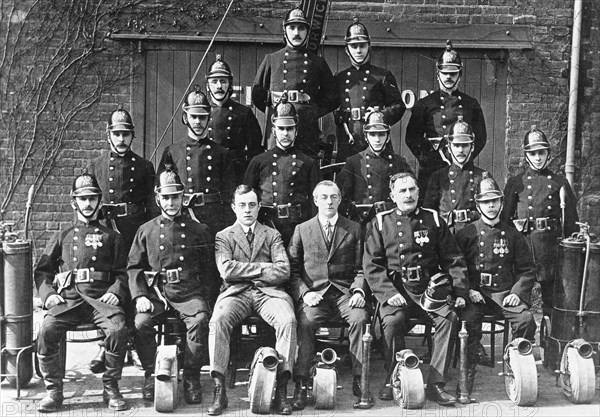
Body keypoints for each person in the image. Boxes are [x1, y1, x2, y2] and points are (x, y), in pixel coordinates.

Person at [363, 171, 469, 406]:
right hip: (397, 290)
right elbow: (371, 266)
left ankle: (435, 384)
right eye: (402, 191)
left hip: (428, 291)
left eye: (412, 190)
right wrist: (389, 294)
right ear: (392, 195)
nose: (408, 195)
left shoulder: (434, 219)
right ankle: (394, 378)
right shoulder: (380, 222)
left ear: (419, 192)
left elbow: (454, 259)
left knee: (448, 319)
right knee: (391, 322)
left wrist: (459, 291)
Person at [34, 173, 130, 412]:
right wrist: (49, 296)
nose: (88, 204)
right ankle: (54, 391)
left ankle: (111, 387)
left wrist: (116, 292)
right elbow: (42, 272)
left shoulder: (113, 237)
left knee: (118, 330)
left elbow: (124, 272)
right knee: (47, 329)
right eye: (82, 199)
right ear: (73, 202)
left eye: (92, 198)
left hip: (101, 301)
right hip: (70, 301)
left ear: (99, 201)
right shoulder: (62, 235)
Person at [127, 166, 219, 404]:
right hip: (156, 294)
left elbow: (210, 270)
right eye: (165, 197)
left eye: (175, 197)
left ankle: (191, 377)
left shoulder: (200, 230)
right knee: (141, 323)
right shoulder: (145, 230)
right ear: (158, 198)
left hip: (188, 292)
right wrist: (140, 297)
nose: (170, 202)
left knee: (199, 321)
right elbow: (134, 267)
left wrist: (205, 300)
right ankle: (151, 374)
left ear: (182, 197)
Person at [207, 185, 297, 415]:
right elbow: (226, 271)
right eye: (242, 205)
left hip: (269, 293)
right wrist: (263, 268)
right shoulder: (224, 236)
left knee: (288, 320)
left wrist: (246, 270)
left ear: (258, 207)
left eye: (251, 205)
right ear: (233, 207)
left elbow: (283, 271)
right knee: (218, 321)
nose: (247, 210)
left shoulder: (272, 234)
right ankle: (219, 389)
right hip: (236, 293)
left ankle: (282, 390)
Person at [287, 180, 370, 409]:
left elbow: (362, 268)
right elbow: (292, 271)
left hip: (345, 293)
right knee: (306, 321)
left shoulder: (353, 228)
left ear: (340, 199)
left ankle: (359, 378)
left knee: (359, 319)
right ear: (315, 201)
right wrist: (304, 294)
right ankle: (302, 383)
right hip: (315, 294)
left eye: (333, 197)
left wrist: (358, 290)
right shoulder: (302, 230)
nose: (329, 201)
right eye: (323, 197)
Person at [87, 105, 156, 374]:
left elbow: (152, 209)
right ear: (108, 135)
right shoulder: (95, 166)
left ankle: (134, 346)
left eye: (126, 133)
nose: (121, 139)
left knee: (131, 284)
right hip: (105, 234)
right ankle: (106, 344)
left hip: (133, 232)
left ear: (132, 136)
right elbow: (87, 206)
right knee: (106, 285)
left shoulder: (144, 166)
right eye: (116, 133)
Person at [455, 174, 537, 396]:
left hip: (503, 293)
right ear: (478, 204)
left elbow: (527, 269)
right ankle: (466, 377)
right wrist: (468, 289)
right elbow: (456, 266)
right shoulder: (466, 233)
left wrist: (517, 293)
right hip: (477, 294)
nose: (490, 206)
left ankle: (515, 364)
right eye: (485, 202)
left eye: (495, 201)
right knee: (467, 322)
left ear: (501, 203)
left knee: (525, 319)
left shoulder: (513, 235)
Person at [501, 125, 578, 316]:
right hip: (524, 248)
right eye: (533, 153)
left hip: (549, 250)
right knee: (517, 300)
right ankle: (519, 344)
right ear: (526, 156)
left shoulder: (560, 182)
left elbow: (570, 223)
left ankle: (549, 342)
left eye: (541, 153)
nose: (537, 158)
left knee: (551, 304)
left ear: (547, 154)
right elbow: (505, 220)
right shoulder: (515, 182)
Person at [252, 6, 338, 160]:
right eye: (292, 28)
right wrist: (275, 109)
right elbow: (258, 95)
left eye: (301, 28)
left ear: (307, 32)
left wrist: (312, 111)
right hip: (279, 127)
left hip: (306, 129)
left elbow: (333, 97)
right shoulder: (271, 60)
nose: (296, 33)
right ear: (285, 31)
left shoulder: (317, 62)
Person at [405, 40, 487, 200]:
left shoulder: (471, 104)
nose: (448, 77)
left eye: (453, 73)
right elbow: (411, 137)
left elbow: (481, 138)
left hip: (461, 170)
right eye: (445, 72)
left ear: (460, 75)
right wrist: (428, 159)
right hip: (431, 170)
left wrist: (462, 158)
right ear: (438, 74)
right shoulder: (424, 104)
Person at [244, 94, 321, 246]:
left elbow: (315, 203)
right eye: (281, 128)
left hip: (298, 227)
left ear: (296, 131)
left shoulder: (308, 162)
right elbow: (247, 198)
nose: (285, 133)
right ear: (273, 131)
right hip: (266, 227)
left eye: (289, 129)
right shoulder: (259, 161)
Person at [159, 86, 235, 235]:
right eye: (194, 117)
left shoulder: (221, 153)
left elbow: (229, 194)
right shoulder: (172, 152)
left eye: (202, 117)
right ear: (186, 118)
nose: (198, 122)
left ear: (209, 118)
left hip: (214, 218)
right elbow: (161, 190)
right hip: (183, 215)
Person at [334, 20, 405, 161]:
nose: (359, 51)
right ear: (347, 50)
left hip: (375, 138)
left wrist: (380, 115)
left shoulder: (382, 76)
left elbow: (398, 106)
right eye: (354, 46)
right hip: (348, 139)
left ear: (369, 47)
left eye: (362, 46)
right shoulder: (339, 78)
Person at [337, 109, 412, 225]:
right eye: (372, 134)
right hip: (364, 222)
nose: (377, 140)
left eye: (381, 134)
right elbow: (342, 198)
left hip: (392, 222)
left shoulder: (399, 162)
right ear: (366, 137)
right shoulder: (354, 162)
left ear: (387, 137)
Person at [423, 116, 488, 234]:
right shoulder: (438, 177)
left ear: (472, 147)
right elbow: (428, 213)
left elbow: (490, 211)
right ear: (449, 147)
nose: (461, 150)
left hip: (475, 235)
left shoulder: (483, 177)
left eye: (465, 145)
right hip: (446, 235)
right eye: (456, 145)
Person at [205, 54, 264, 184]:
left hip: (237, 176)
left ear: (230, 84)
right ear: (208, 86)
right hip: (209, 175)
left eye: (223, 81)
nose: (219, 86)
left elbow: (256, 152)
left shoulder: (244, 113)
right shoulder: (202, 114)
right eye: (214, 82)